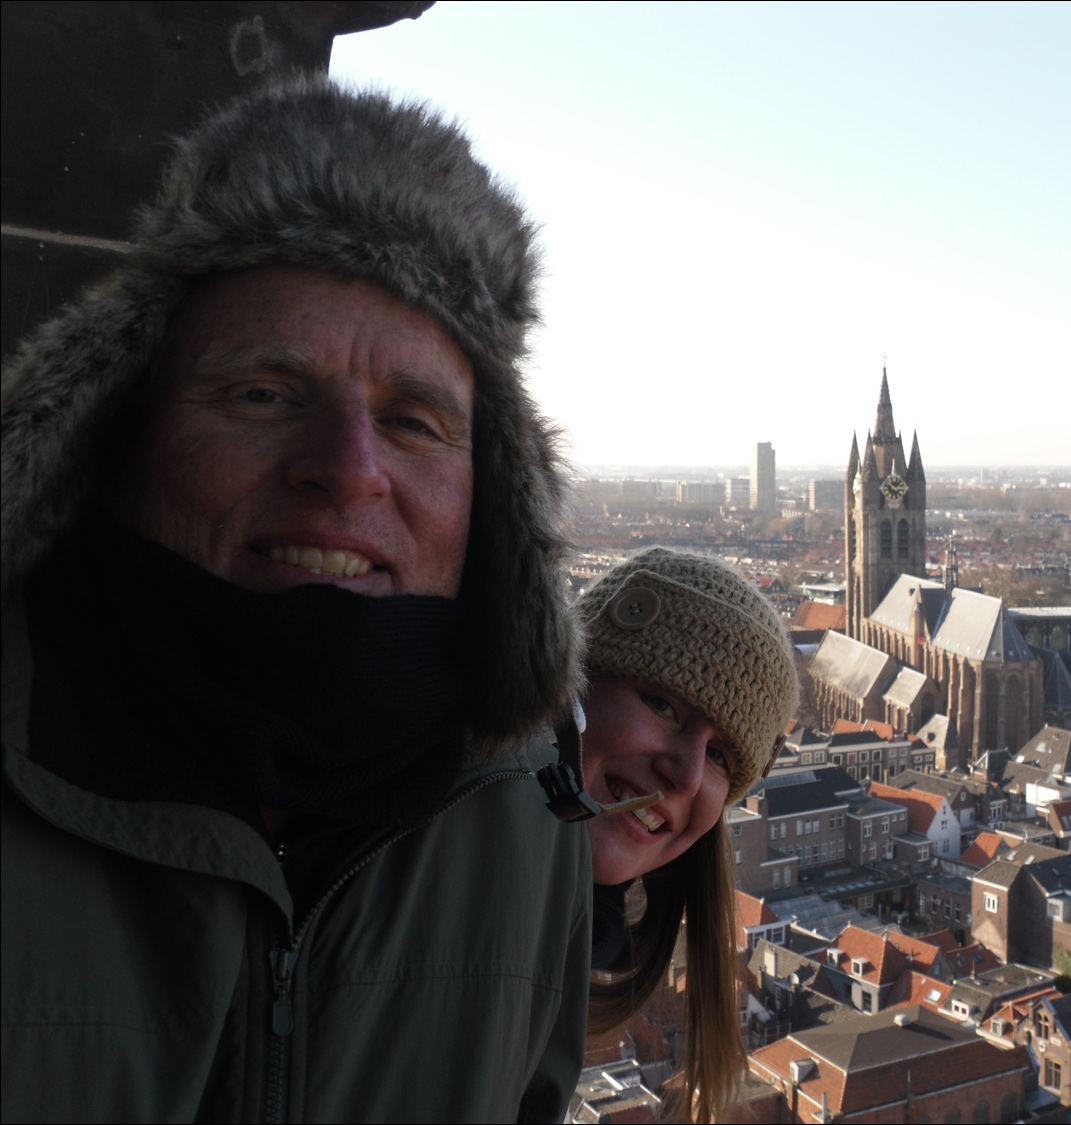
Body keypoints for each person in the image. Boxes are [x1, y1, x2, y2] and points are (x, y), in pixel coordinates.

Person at [1, 78, 590, 1122]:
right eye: (264, 394)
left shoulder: (528, 818)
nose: (350, 470)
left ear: (493, 494)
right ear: (119, 429)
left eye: (415, 422)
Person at [571, 549, 799, 1124]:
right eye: (662, 704)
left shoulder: (553, 946)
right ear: (570, 682)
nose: (688, 774)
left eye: (721, 755)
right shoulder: (440, 896)